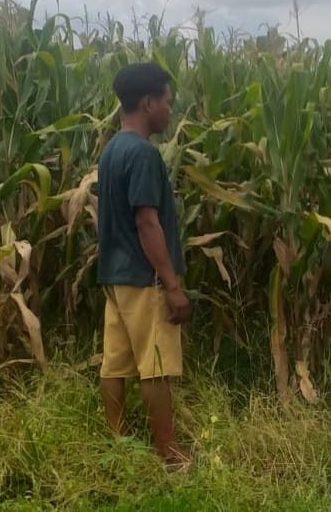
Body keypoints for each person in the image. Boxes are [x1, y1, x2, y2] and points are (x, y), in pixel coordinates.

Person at [96, 61, 191, 467]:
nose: (170, 110)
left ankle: (118, 444)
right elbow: (147, 222)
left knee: (114, 362)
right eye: (167, 102)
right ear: (148, 102)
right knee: (155, 367)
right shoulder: (143, 154)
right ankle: (169, 454)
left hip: (115, 276)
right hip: (143, 277)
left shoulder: (112, 149)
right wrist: (171, 284)